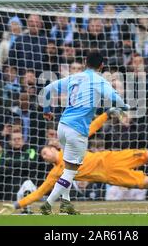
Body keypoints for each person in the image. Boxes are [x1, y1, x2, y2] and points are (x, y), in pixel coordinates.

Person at [0, 115, 148, 215]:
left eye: (46, 151)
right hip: (114, 177)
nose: (45, 155)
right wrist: (17, 205)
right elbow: (39, 193)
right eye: (43, 156)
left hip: (115, 157)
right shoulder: (56, 174)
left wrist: (106, 114)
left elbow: (90, 128)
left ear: (54, 147)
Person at [40, 50, 129, 215]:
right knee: (71, 171)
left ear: (85, 62)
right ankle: (48, 203)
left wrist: (46, 109)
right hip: (77, 130)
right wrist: (126, 108)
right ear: (102, 66)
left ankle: (65, 204)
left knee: (67, 168)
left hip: (62, 126)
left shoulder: (74, 77)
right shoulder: (98, 80)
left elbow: (46, 90)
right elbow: (116, 98)